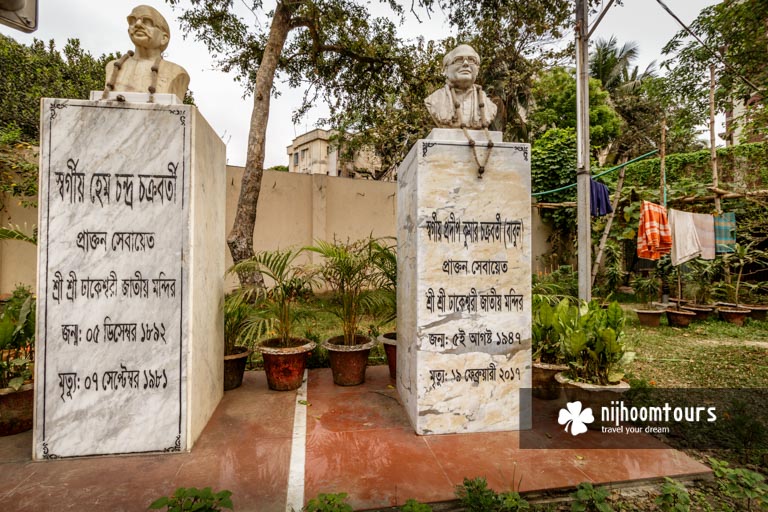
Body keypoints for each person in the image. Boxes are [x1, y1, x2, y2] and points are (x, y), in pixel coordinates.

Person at [104, 5, 189, 100]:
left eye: (147, 21)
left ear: (164, 38)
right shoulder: (112, 67)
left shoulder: (176, 72)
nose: (138, 24)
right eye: (132, 21)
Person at [424, 44, 497, 129]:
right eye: (458, 60)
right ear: (446, 70)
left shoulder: (489, 106)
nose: (466, 64)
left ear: (477, 70)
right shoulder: (434, 101)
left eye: (471, 60)